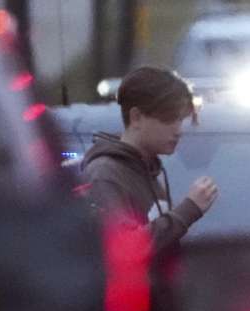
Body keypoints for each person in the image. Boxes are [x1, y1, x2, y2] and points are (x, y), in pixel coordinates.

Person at [81, 66, 217, 258]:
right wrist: (188, 209)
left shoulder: (148, 169)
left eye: (180, 120)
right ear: (136, 117)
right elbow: (124, 249)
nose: (179, 130)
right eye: (170, 119)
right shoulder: (106, 175)